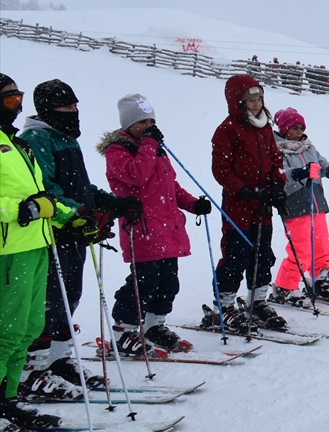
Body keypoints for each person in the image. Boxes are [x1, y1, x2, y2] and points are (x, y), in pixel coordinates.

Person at [18, 79, 141, 399]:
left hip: (76, 232)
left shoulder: (65, 139)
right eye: (67, 106)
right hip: (56, 232)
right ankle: (35, 368)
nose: (74, 112)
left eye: (75, 106)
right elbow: (47, 188)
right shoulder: (38, 138)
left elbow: (79, 187)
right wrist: (78, 214)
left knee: (69, 296)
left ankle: (59, 360)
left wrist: (111, 203)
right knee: (49, 300)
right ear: (48, 109)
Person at [101, 94, 212, 353]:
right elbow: (137, 176)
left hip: (167, 228)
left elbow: (170, 186)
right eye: (141, 122)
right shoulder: (118, 150)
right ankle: (124, 329)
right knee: (144, 282)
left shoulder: (155, 150)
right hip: (143, 228)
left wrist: (193, 203)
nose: (148, 126)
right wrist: (149, 143)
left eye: (151, 121)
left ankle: (154, 325)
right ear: (128, 125)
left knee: (168, 282)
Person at [0, 73, 75, 432]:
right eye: (9, 100)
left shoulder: (16, 143)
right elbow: (23, 203)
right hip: (8, 250)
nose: (15, 106)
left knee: (29, 327)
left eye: (18, 99)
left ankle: (8, 396)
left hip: (36, 245)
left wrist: (69, 217)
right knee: (7, 330)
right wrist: (21, 210)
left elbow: (42, 193)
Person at [202, 75, 289, 332]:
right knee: (236, 254)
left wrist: (276, 184)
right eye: (250, 100)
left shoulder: (264, 128)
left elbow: (276, 161)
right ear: (237, 102)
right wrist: (245, 190)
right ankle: (224, 304)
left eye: (259, 98)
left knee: (263, 254)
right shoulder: (227, 129)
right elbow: (221, 169)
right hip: (239, 204)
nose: (256, 104)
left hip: (263, 204)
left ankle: (257, 301)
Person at [269, 107, 329, 306]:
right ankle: (285, 286)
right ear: (285, 129)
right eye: (294, 128)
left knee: (322, 244)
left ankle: (318, 280)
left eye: (301, 128)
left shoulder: (308, 147)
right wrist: (300, 172)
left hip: (316, 202)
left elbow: (320, 163)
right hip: (295, 204)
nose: (298, 132)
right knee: (301, 248)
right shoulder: (277, 148)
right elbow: (280, 174)